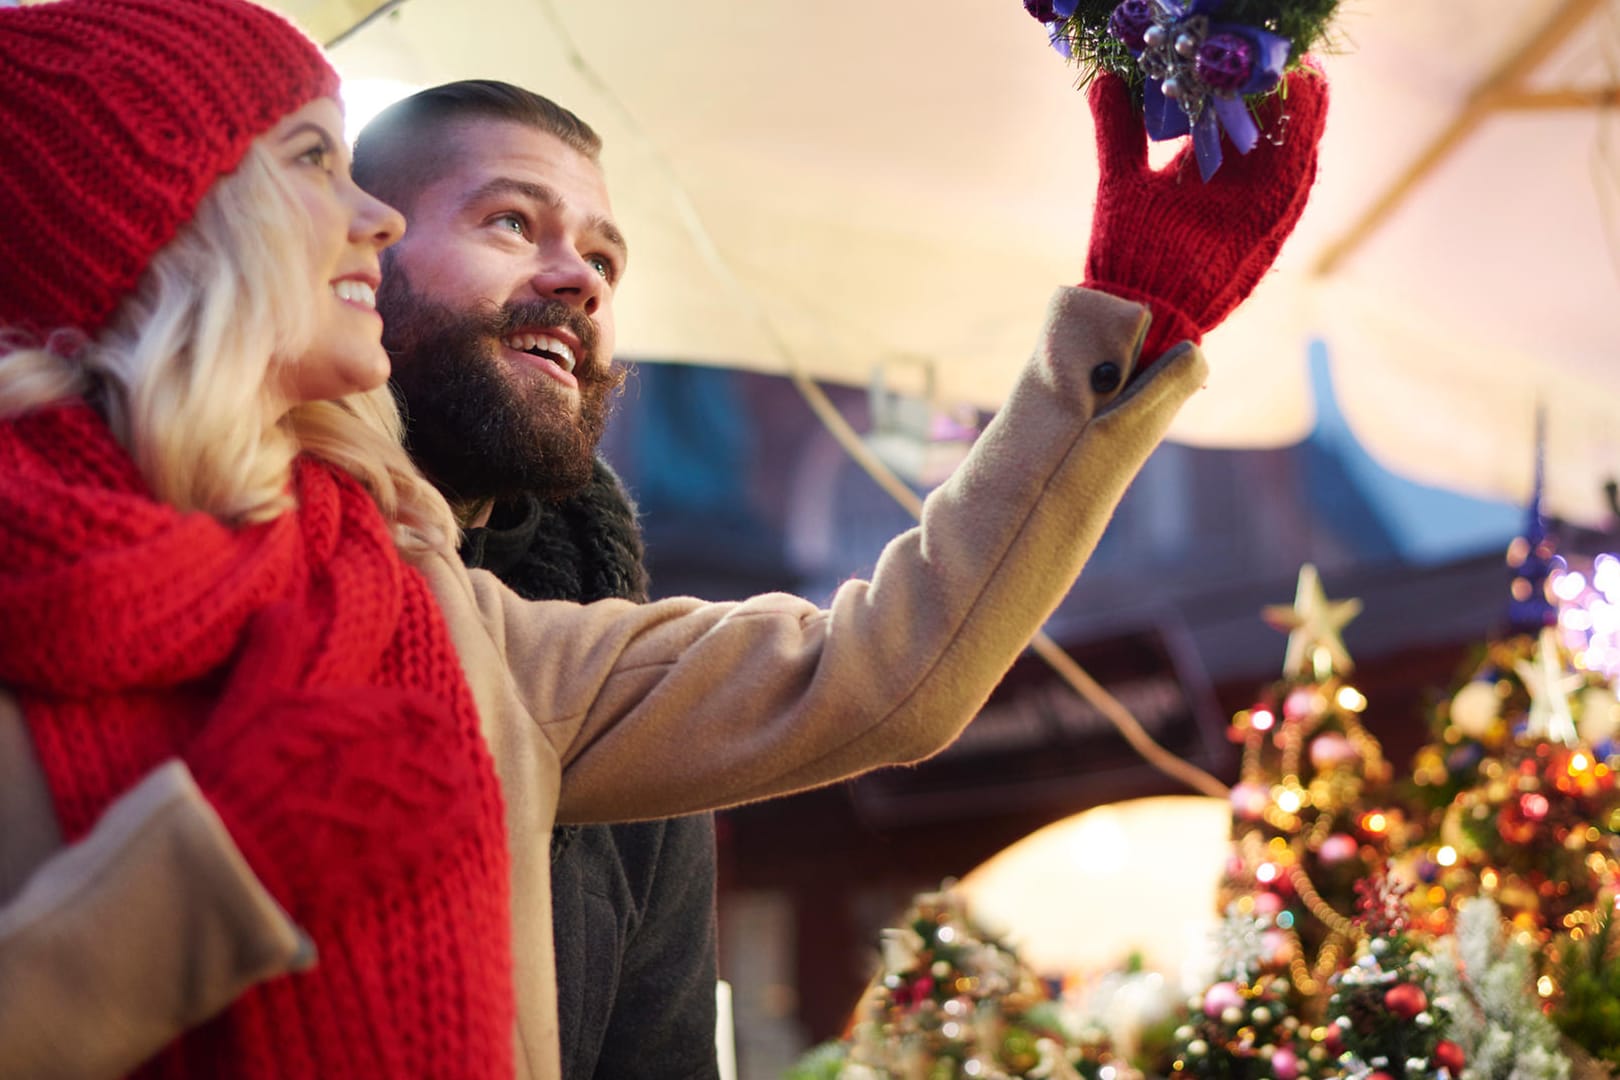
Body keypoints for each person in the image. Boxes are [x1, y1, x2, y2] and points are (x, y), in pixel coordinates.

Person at [0, 1, 1327, 1077]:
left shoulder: (446, 626)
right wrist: (215, 874)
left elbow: (872, 674)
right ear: (164, 215)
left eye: (608, 257)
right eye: (513, 221)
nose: (372, 218)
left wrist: (1128, 324)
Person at [354, 82, 721, 1079]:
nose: (583, 283)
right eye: (513, 222)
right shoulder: (210, 562)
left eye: (603, 258)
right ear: (355, 258)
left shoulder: (615, 680)